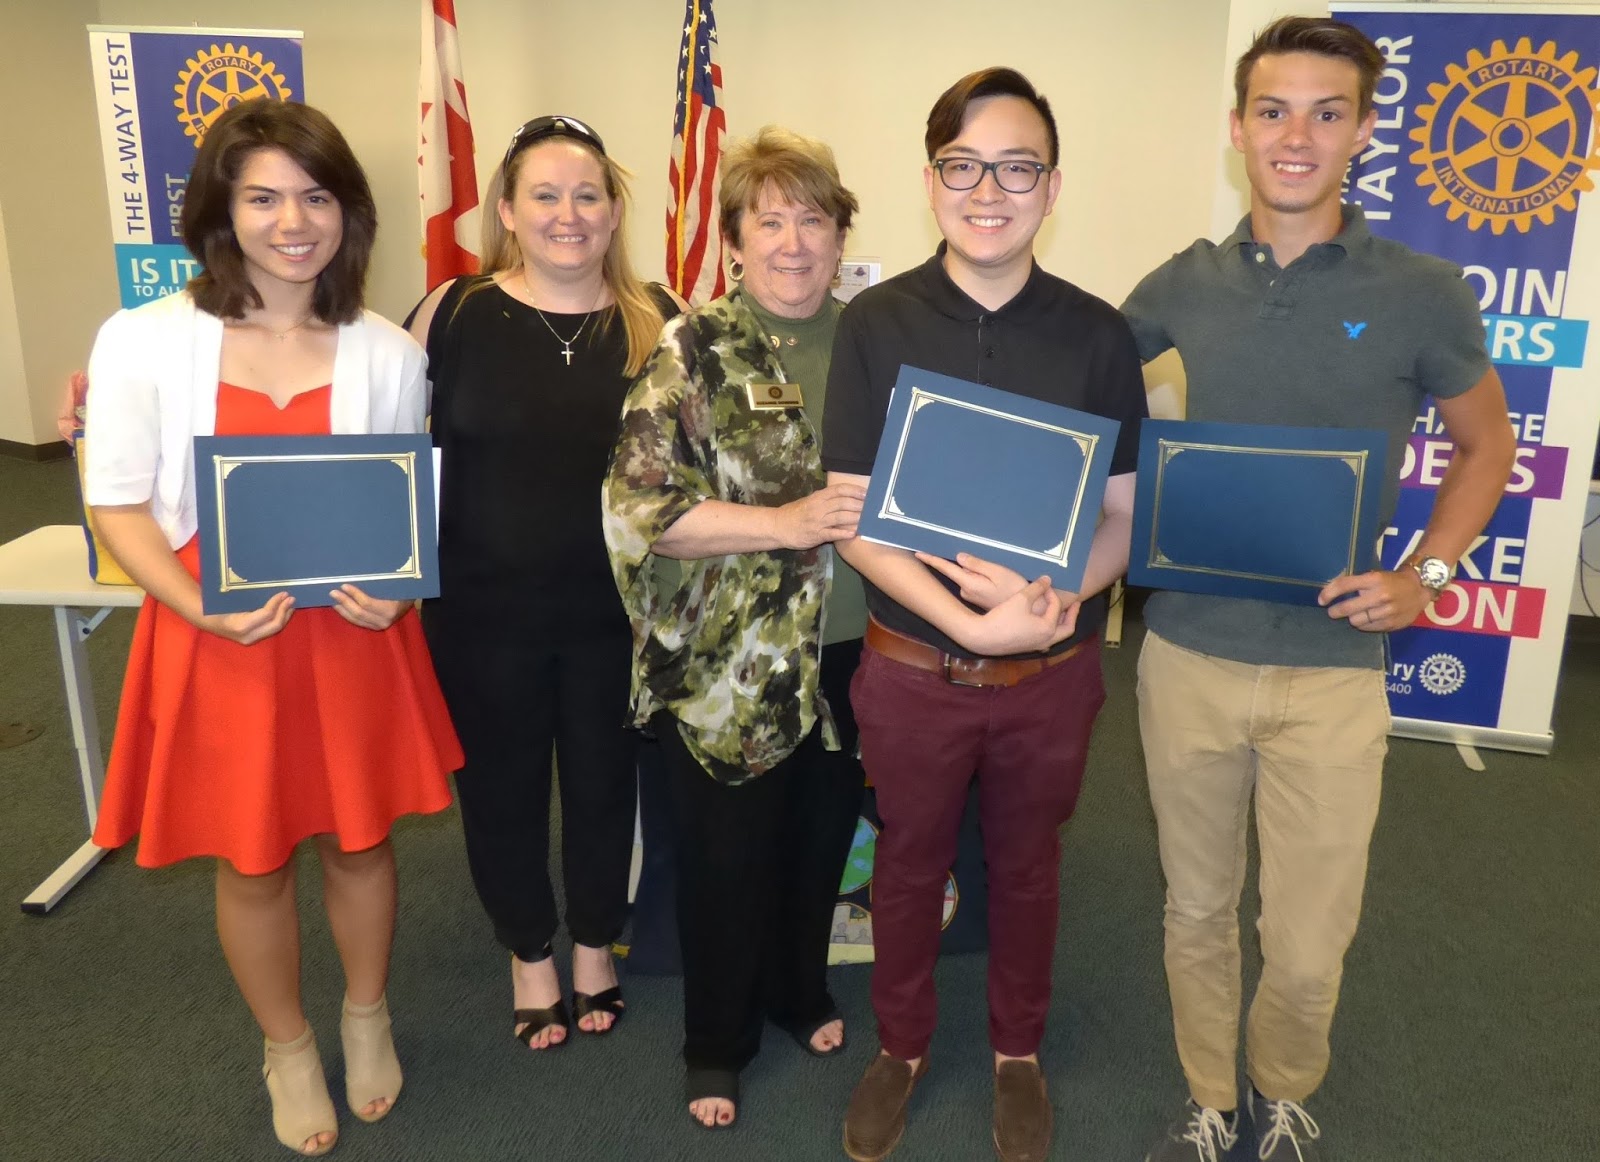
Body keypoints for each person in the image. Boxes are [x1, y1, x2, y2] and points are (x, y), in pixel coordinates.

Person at [1123, 18, 1517, 1162]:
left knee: (1305, 942)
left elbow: (1487, 445)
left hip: (1335, 670)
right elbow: (1078, 392)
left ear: (1361, 131)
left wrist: (1425, 575)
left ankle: (1281, 1089)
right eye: (1273, 110)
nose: (1295, 136)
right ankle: (1209, 1098)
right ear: (1237, 126)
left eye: (1325, 112)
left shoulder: (1422, 292)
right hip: (1188, 656)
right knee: (1196, 908)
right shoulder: (1178, 284)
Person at [82, 99, 462, 1157]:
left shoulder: (387, 351)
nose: (293, 222)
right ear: (221, 210)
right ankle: (287, 1045)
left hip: (353, 632)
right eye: (263, 198)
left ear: (348, 212)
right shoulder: (143, 339)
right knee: (250, 856)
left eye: (316, 196)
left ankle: (366, 1014)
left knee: (361, 838)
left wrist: (402, 591)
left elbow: (400, 500)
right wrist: (196, 603)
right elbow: (117, 501)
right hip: (218, 629)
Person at [822, 68, 1149, 1162]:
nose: (988, 190)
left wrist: (1053, 605)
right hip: (912, 668)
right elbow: (853, 516)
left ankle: (1018, 1052)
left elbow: (1123, 514)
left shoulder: (1098, 335)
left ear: (1052, 187)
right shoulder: (875, 324)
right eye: (963, 166)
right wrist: (967, 626)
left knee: (1027, 866)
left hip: (1049, 674)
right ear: (931, 182)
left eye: (1016, 168)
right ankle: (901, 1047)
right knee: (908, 865)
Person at [603, 126, 868, 1130]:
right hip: (731, 664)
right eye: (770, 221)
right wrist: (783, 523)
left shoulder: (876, 342)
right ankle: (715, 1042)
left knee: (819, 840)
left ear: (840, 235)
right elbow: (638, 510)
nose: (793, 242)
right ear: (735, 240)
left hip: (855, 650)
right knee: (727, 862)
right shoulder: (695, 348)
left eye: (813, 219)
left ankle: (798, 992)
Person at [405, 116, 682, 1051]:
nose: (569, 214)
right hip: (481, 616)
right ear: (508, 212)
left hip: (619, 617)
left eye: (587, 195)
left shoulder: (661, 318)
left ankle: (595, 942)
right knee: (501, 789)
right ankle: (529, 950)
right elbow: (362, 425)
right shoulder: (451, 313)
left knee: (607, 785)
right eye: (546, 195)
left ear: (614, 211)